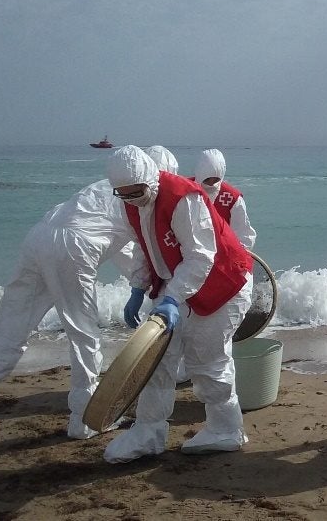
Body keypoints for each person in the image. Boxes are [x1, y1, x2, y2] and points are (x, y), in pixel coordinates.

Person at [0, 179, 140, 444]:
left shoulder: (107, 185)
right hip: (74, 246)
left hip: (40, 235)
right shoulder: (140, 197)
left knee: (10, 326)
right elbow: (134, 253)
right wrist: (143, 285)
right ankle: (85, 418)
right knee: (84, 333)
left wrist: (140, 283)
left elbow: (116, 242)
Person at [104, 145, 253, 463]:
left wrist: (171, 298)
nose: (132, 199)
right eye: (124, 194)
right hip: (176, 284)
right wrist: (138, 287)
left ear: (151, 179)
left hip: (223, 283)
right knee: (156, 360)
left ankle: (226, 429)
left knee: (207, 362)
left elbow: (201, 257)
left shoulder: (184, 197)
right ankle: (148, 433)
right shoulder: (131, 205)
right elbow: (145, 247)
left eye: (137, 192)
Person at [193, 148, 256, 250]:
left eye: (216, 179)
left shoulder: (233, 199)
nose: (211, 183)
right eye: (207, 179)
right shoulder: (186, 190)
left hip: (223, 255)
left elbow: (244, 236)